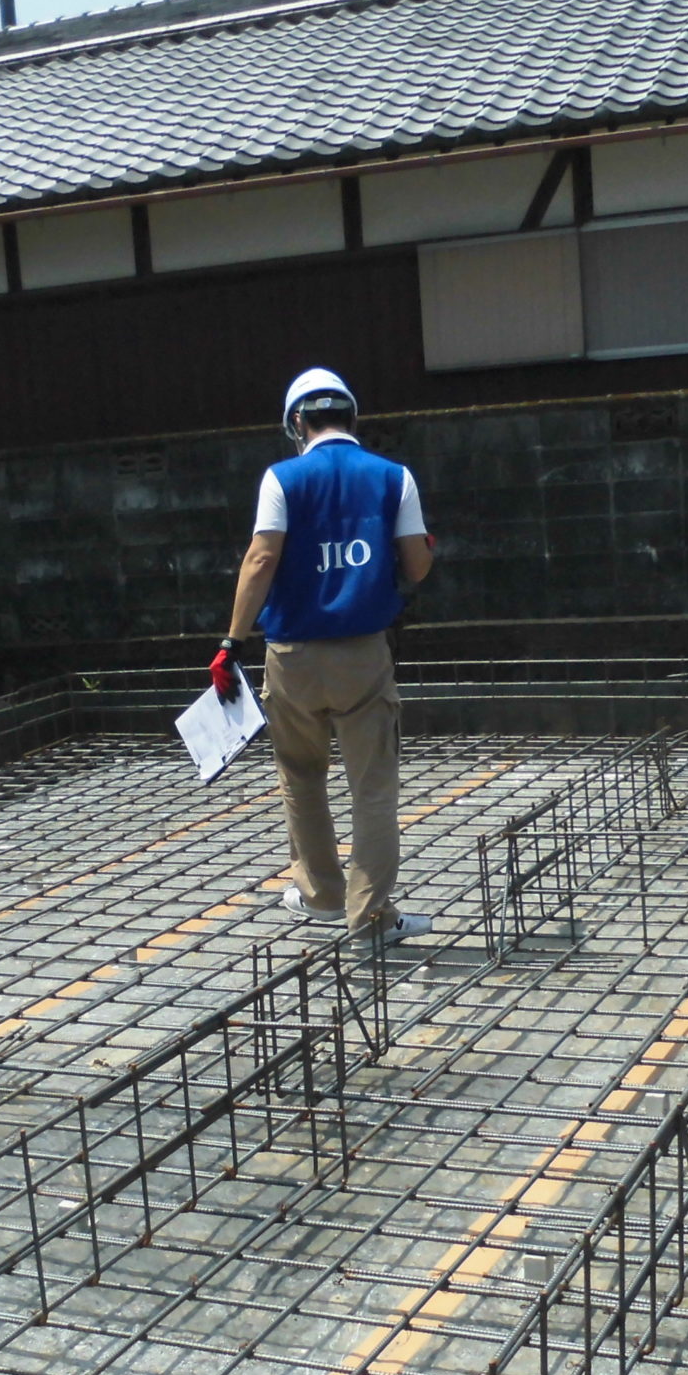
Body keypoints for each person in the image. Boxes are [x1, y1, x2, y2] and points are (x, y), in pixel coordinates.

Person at [210, 368, 434, 946]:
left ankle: (321, 896)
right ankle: (371, 919)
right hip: (362, 654)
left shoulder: (282, 478)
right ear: (352, 418)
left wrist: (232, 642)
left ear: (297, 422)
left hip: (293, 656)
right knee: (374, 787)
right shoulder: (394, 477)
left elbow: (261, 560)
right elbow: (417, 565)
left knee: (302, 776)